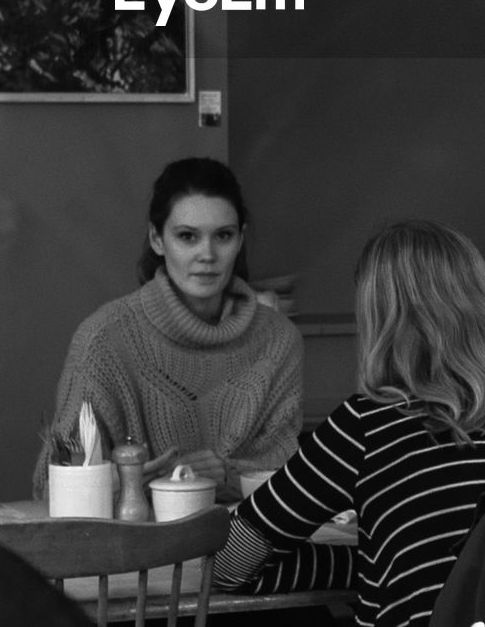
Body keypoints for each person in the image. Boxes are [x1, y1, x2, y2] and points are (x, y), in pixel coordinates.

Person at [211, 220, 485, 627]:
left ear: (378, 320)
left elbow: (232, 562)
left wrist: (382, 563)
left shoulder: (366, 424)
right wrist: (385, 558)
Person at [33, 157, 302, 503]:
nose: (207, 254)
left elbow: (293, 479)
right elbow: (50, 485)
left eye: (223, 235)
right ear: (157, 240)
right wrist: (135, 480)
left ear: (240, 240)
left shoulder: (279, 341)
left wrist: (224, 474)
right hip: (139, 550)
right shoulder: (103, 341)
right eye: (187, 236)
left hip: (253, 548)